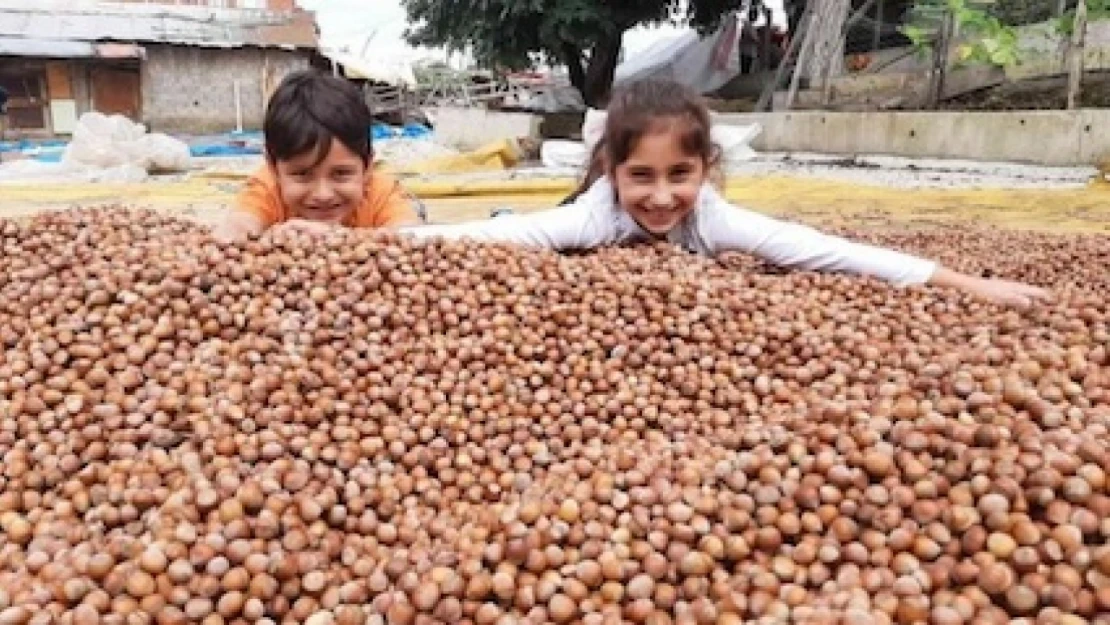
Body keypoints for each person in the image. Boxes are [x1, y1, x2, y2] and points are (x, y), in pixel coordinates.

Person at [407, 78, 1051, 308]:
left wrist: (968, 286)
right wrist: (365, 244)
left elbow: (820, 249)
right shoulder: (592, 217)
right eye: (641, 177)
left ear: (705, 169)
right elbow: (489, 237)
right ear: (610, 171)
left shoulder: (713, 219)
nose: (661, 197)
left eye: (678, 176)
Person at [214, 70, 423, 242]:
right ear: (273, 168)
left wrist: (339, 238)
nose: (323, 194)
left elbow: (411, 235)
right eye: (303, 174)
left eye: (341, 174)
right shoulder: (267, 189)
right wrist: (264, 237)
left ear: (368, 166)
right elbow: (236, 227)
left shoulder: (381, 193)